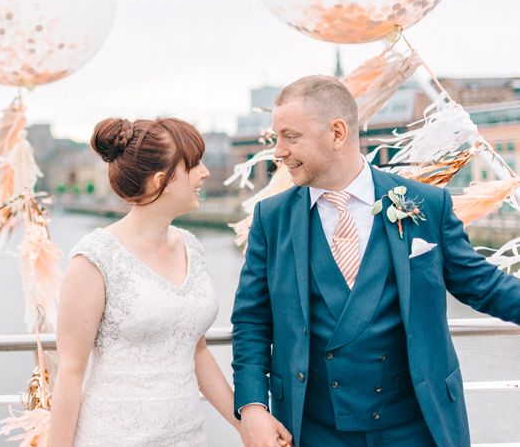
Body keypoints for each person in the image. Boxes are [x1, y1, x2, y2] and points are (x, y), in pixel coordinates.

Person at [232, 75, 520, 447]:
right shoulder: (271, 219)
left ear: (337, 133)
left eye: (290, 136)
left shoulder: (427, 204)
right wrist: (253, 406)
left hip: (417, 426)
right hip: (314, 430)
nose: (278, 152)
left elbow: (482, 284)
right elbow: (251, 321)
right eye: (277, 138)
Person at [50, 117, 240, 446]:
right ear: (159, 181)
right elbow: (69, 373)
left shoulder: (191, 247)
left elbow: (198, 351)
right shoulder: (94, 259)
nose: (205, 173)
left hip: (188, 436)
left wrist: (244, 425)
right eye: (194, 164)